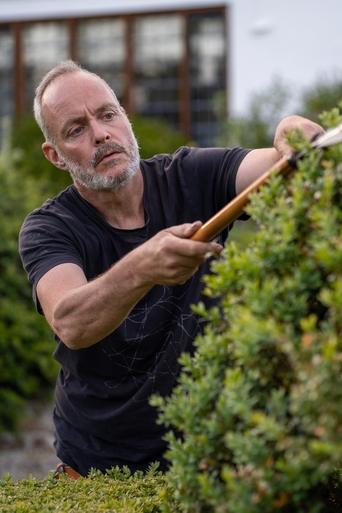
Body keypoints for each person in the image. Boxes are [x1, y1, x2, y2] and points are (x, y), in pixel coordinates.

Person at [18, 60, 323, 478]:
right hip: (98, 471)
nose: (101, 134)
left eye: (107, 114)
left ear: (124, 116)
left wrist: (290, 129)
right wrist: (143, 266)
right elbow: (71, 321)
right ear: (55, 155)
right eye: (76, 129)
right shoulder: (49, 227)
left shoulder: (190, 175)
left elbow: (279, 166)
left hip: (208, 454)